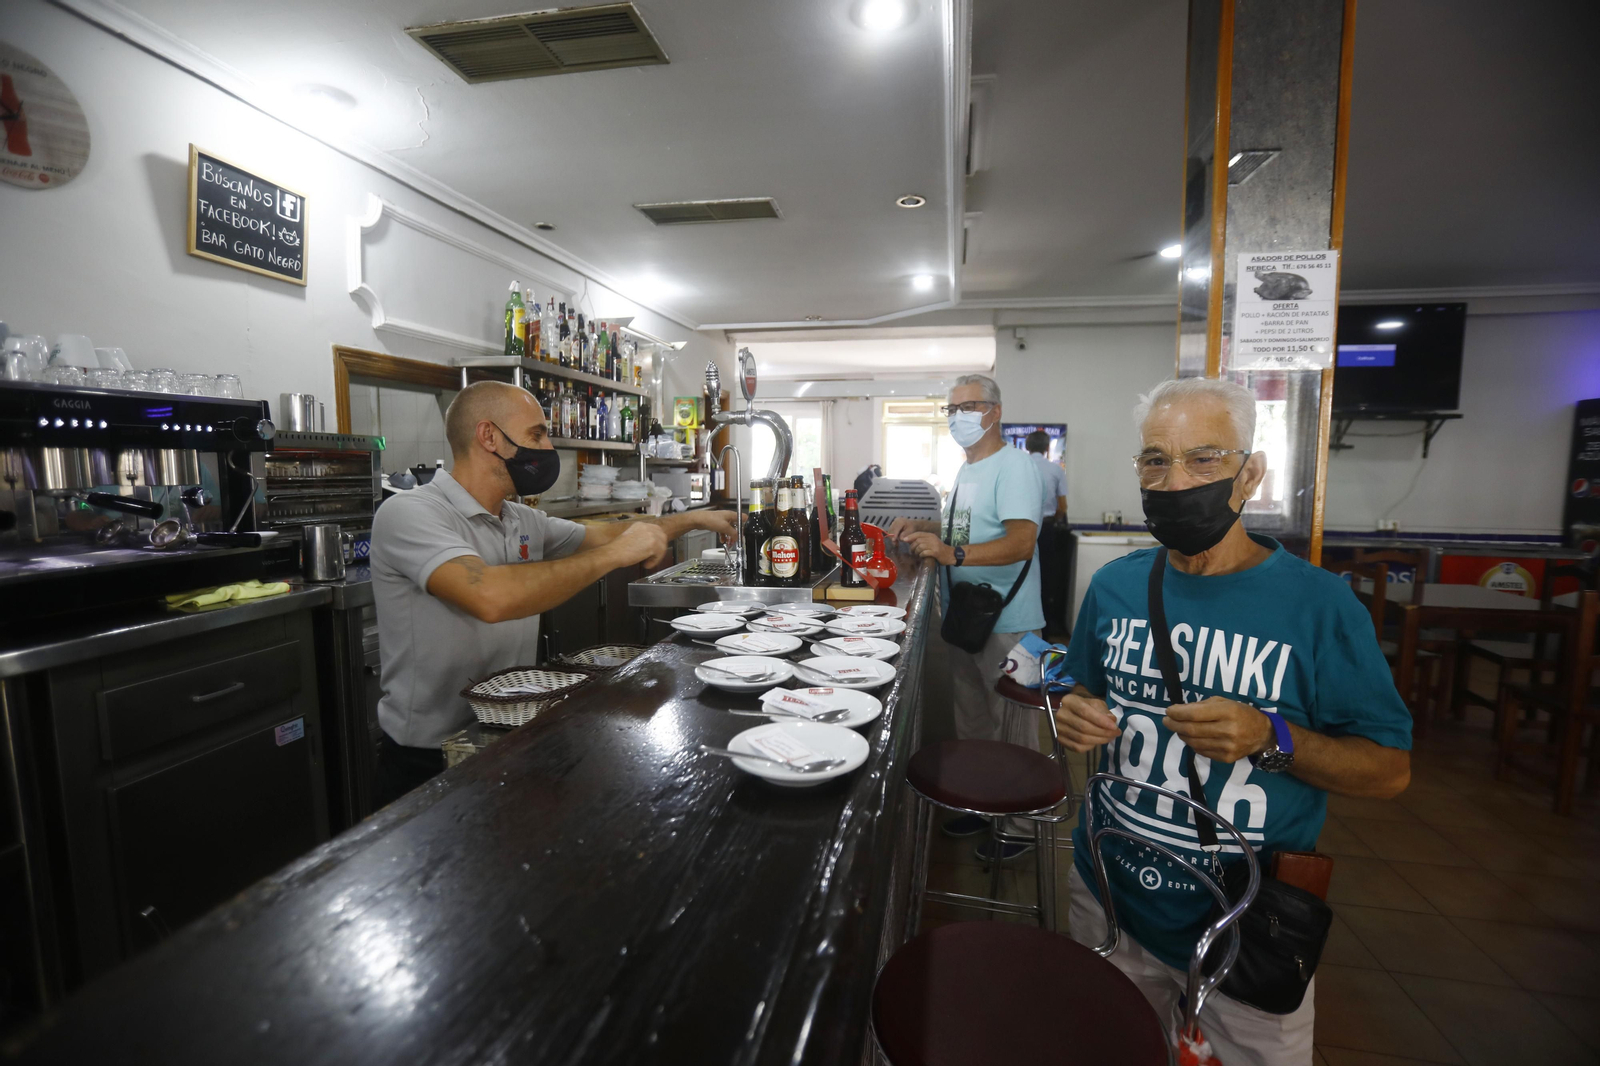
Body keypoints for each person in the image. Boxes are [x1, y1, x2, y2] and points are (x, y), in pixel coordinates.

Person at [1053, 377, 1411, 1066]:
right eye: (1155, 461)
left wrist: (1272, 738)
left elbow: (1389, 771)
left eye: (1203, 459)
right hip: (1108, 893)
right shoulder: (1116, 586)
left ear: (1250, 474)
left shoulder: (1319, 607)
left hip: (1246, 921)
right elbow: (1081, 688)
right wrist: (1076, 712)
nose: (1175, 481)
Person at [370, 380, 737, 806]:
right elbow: (489, 596)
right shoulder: (410, 512)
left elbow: (610, 534)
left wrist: (696, 520)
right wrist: (616, 555)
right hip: (426, 758)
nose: (547, 448)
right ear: (489, 436)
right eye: (537, 435)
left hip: (506, 732)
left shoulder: (520, 518)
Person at [887, 374, 1045, 860]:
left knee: (1013, 725)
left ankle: (1019, 825)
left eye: (969, 406)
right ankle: (982, 804)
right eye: (951, 409)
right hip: (966, 617)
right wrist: (922, 526)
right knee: (973, 720)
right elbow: (965, 530)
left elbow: (1021, 542)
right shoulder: (968, 468)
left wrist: (950, 554)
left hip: (1011, 621)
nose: (958, 417)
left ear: (995, 412)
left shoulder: (1014, 466)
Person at [1025, 429, 1070, 635]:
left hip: (1020, 528)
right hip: (1047, 529)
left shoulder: (1018, 467)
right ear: (1046, 448)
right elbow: (1063, 506)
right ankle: (1045, 628)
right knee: (1046, 577)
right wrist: (1054, 519)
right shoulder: (1055, 470)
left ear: (1027, 447)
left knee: (1022, 575)